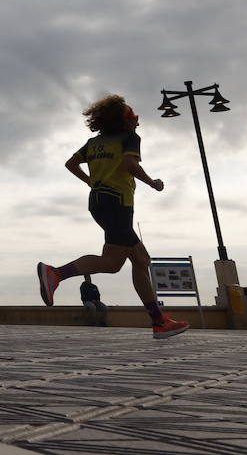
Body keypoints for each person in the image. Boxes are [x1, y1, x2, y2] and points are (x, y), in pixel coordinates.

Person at [36, 94, 189, 339]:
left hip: (98, 202)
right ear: (123, 121)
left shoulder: (93, 143)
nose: (137, 122)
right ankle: (56, 274)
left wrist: (91, 183)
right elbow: (130, 164)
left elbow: (70, 164)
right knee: (113, 262)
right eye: (133, 117)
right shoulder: (129, 138)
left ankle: (159, 321)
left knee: (136, 261)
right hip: (118, 203)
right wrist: (152, 183)